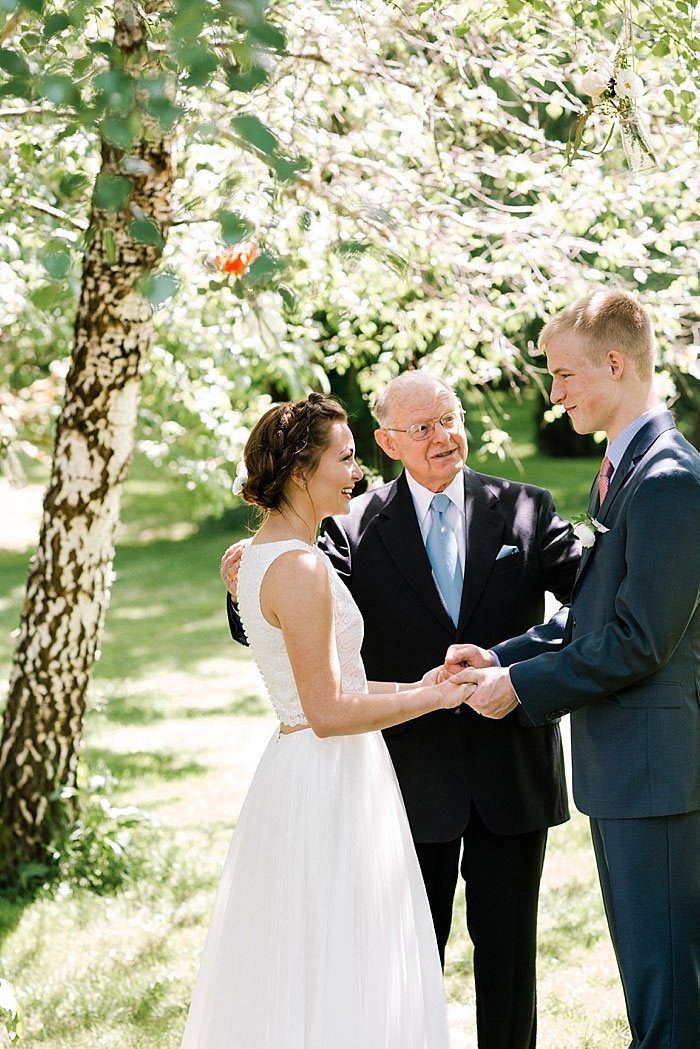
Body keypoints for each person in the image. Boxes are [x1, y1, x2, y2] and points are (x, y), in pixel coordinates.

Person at [221, 372, 581, 1049]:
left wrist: (513, 665)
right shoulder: (347, 526)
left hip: (513, 773)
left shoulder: (527, 507)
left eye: (450, 418)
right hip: (405, 783)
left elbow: (591, 604)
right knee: (399, 970)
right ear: (387, 441)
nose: (443, 437)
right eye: (422, 428)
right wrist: (237, 580)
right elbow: (279, 622)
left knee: (511, 969)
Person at [180, 393, 475, 1049]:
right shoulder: (303, 567)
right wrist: (437, 701)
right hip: (327, 775)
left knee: (315, 957)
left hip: (309, 766)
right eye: (344, 459)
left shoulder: (260, 556)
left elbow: (337, 684)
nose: (356, 473)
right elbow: (330, 710)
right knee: (341, 955)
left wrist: (423, 682)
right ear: (297, 470)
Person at [446, 290, 700, 1049]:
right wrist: (499, 654)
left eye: (562, 375)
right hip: (626, 771)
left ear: (615, 364)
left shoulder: (668, 480)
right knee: (652, 982)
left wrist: (518, 690)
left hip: (655, 774)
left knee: (666, 996)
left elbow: (635, 641)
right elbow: (590, 614)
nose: (554, 395)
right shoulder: (625, 468)